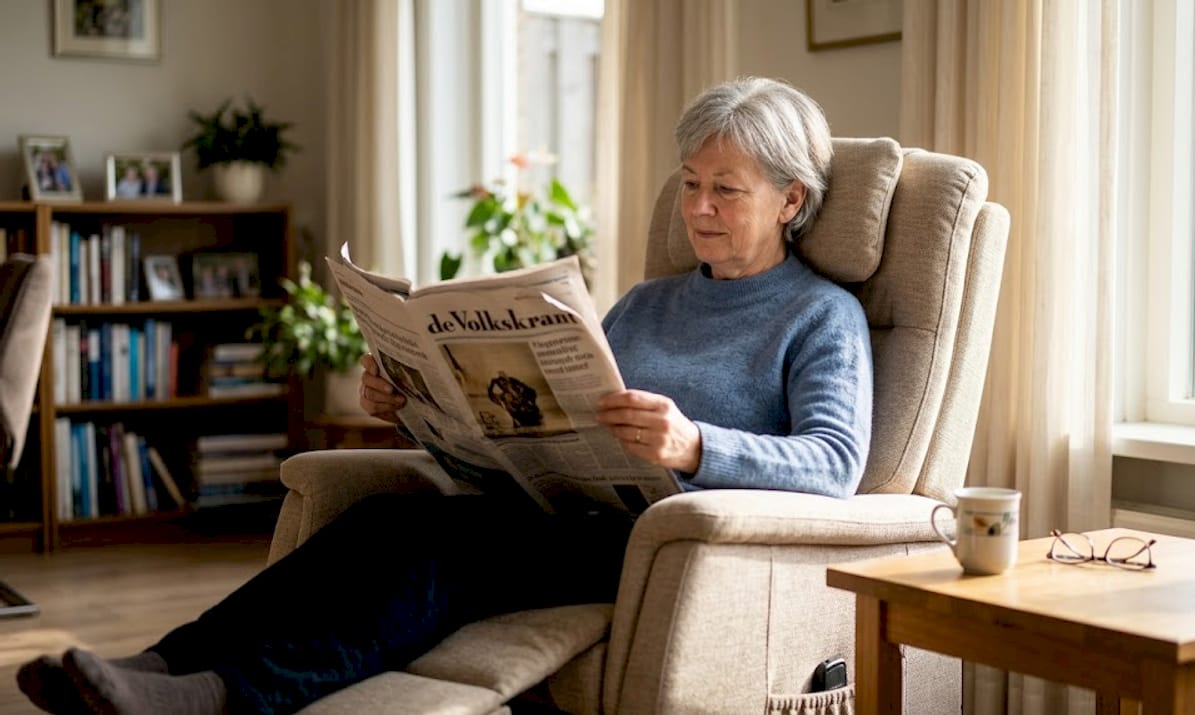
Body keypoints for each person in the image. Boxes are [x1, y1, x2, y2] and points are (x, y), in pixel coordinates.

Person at [16, 76, 872, 715]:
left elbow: (836, 465)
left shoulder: (820, 315)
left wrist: (695, 445)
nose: (698, 206)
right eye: (689, 182)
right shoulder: (648, 302)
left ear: (790, 199)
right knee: (386, 519)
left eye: (726, 188)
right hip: (560, 511)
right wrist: (421, 406)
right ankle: (160, 666)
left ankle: (220, 696)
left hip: (665, 546)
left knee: (444, 558)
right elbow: (545, 428)